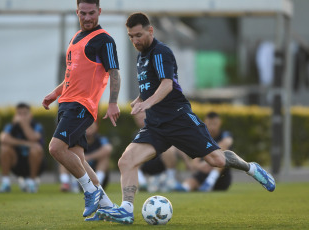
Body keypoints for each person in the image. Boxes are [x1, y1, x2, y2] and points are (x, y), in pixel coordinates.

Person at [96, 13, 275, 224]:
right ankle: (126, 210)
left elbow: (166, 85)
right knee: (126, 160)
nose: (135, 40)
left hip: (179, 119)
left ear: (150, 30)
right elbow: (150, 86)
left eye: (138, 35)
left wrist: (148, 103)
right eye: (131, 36)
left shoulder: (161, 52)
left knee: (216, 160)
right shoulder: (141, 57)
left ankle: (251, 168)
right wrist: (139, 99)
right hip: (156, 125)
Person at [42, 0, 121, 221]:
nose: (87, 18)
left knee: (56, 148)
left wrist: (113, 102)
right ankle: (108, 207)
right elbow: (72, 76)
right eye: (83, 13)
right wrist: (55, 93)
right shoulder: (75, 38)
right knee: (78, 157)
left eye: (92, 13)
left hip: (82, 105)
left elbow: (114, 72)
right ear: (77, 12)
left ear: (99, 11)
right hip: (66, 103)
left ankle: (90, 191)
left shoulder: (104, 40)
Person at [176, 111, 233, 192]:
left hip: (220, 175)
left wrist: (210, 163)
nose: (212, 127)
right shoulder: (202, 136)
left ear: (220, 123)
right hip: (204, 172)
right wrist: (202, 166)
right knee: (193, 179)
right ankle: (185, 187)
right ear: (205, 123)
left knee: (223, 156)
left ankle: (210, 181)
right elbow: (194, 164)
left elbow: (227, 142)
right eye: (210, 124)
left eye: (215, 124)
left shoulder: (225, 134)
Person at [0, 103, 45, 193]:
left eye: (25, 114)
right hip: (17, 163)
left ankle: (32, 182)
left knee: (36, 149)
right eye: (19, 114)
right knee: (4, 148)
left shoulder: (37, 126)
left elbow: (34, 137)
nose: (22, 117)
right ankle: (5, 183)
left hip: (36, 165)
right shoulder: (11, 126)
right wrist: (26, 144)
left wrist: (24, 125)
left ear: (30, 115)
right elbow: (3, 138)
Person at [59, 121, 112, 192]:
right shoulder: (75, 139)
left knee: (105, 158)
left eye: (91, 126)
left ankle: (98, 184)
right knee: (65, 157)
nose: (89, 128)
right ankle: (65, 183)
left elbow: (108, 149)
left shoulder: (101, 139)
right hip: (78, 172)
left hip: (95, 171)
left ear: (96, 127)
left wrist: (88, 157)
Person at [133, 111, 179, 192]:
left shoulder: (159, 129)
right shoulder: (136, 135)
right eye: (138, 119)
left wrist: (187, 162)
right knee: (132, 155)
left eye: (141, 118)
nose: (140, 120)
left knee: (170, 148)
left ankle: (170, 180)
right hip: (146, 164)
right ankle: (143, 183)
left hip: (161, 162)